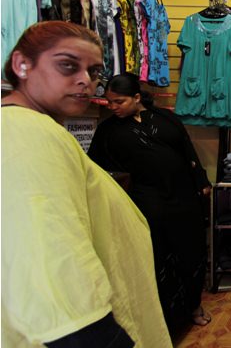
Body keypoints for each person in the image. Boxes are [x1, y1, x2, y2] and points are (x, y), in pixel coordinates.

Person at [1, 21, 172, 348]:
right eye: (67, 65)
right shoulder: (26, 132)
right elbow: (51, 267)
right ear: (22, 64)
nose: (85, 81)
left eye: (94, 72)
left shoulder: (33, 128)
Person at [87, 72, 213, 330]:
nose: (112, 107)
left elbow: (187, 150)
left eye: (119, 101)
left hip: (183, 199)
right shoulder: (107, 131)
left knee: (191, 252)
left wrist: (201, 180)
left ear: (136, 97)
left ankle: (193, 306)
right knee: (156, 258)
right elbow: (96, 169)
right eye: (109, 102)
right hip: (146, 203)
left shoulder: (166, 119)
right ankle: (164, 321)